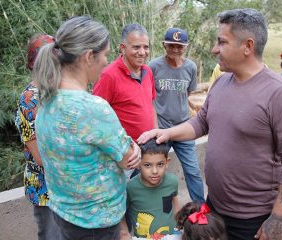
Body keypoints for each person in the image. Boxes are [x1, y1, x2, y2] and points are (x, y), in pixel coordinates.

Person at [138, 8, 282, 240]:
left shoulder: (281, 94)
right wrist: (165, 133)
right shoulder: (221, 84)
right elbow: (201, 123)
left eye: (222, 42)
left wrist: (278, 218)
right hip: (215, 208)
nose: (214, 49)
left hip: (252, 219)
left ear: (247, 46)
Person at [33, 16, 141, 240]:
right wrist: (134, 148)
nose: (106, 62)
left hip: (64, 214)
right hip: (97, 223)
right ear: (89, 56)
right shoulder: (93, 109)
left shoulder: (45, 100)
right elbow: (127, 158)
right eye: (105, 55)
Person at [93, 23, 157, 179]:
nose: (142, 52)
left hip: (148, 151)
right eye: (136, 47)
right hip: (125, 157)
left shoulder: (148, 71)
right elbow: (96, 117)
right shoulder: (108, 75)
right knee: (127, 200)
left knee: (145, 199)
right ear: (123, 48)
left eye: (146, 47)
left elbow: (151, 105)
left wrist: (155, 137)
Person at [148, 27, 205, 203]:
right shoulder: (153, 67)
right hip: (160, 128)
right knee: (153, 170)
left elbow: (187, 93)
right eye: (171, 45)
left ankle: (200, 209)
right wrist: (155, 126)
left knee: (193, 170)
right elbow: (149, 96)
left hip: (183, 128)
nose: (175, 49)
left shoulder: (190, 68)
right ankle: (152, 207)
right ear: (164, 45)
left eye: (179, 46)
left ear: (185, 47)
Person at [15, 33, 61, 240]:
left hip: (64, 185)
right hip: (45, 187)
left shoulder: (57, 91)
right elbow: (40, 155)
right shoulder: (30, 99)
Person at [123, 138, 180, 238]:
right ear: (138, 164)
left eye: (160, 164)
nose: (155, 171)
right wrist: (124, 234)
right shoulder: (130, 188)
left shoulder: (172, 182)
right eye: (148, 165)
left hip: (171, 236)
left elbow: (175, 202)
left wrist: (180, 223)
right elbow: (121, 214)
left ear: (167, 162)